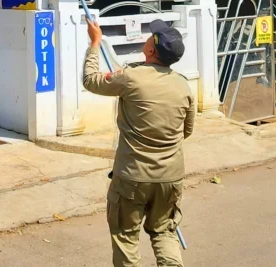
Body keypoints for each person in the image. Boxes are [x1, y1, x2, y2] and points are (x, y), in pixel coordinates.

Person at [82, 18, 196, 267]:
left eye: (150, 36)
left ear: (152, 49)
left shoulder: (130, 78)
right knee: (164, 232)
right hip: (170, 177)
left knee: (126, 236)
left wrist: (95, 42)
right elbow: (186, 130)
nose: (146, 37)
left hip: (132, 176)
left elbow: (90, 80)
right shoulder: (183, 85)